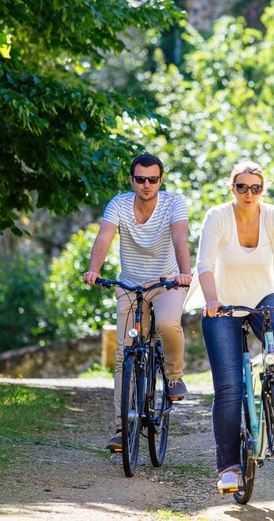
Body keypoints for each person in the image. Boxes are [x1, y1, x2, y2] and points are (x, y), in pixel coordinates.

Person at [187, 161, 274, 493]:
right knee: (229, 388)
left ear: (263, 190)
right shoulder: (218, 217)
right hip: (222, 303)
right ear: (231, 188)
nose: (249, 194)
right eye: (241, 187)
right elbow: (205, 265)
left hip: (264, 297)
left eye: (255, 188)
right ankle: (229, 467)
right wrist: (210, 300)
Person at [83, 153, 192, 452]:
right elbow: (104, 238)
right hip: (130, 285)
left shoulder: (173, 203)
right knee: (124, 354)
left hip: (168, 282)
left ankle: (173, 377)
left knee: (169, 323)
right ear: (132, 180)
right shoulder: (118, 204)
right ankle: (122, 427)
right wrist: (94, 269)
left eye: (153, 180)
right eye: (141, 179)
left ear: (160, 180)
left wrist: (185, 273)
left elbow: (180, 238)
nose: (146, 185)